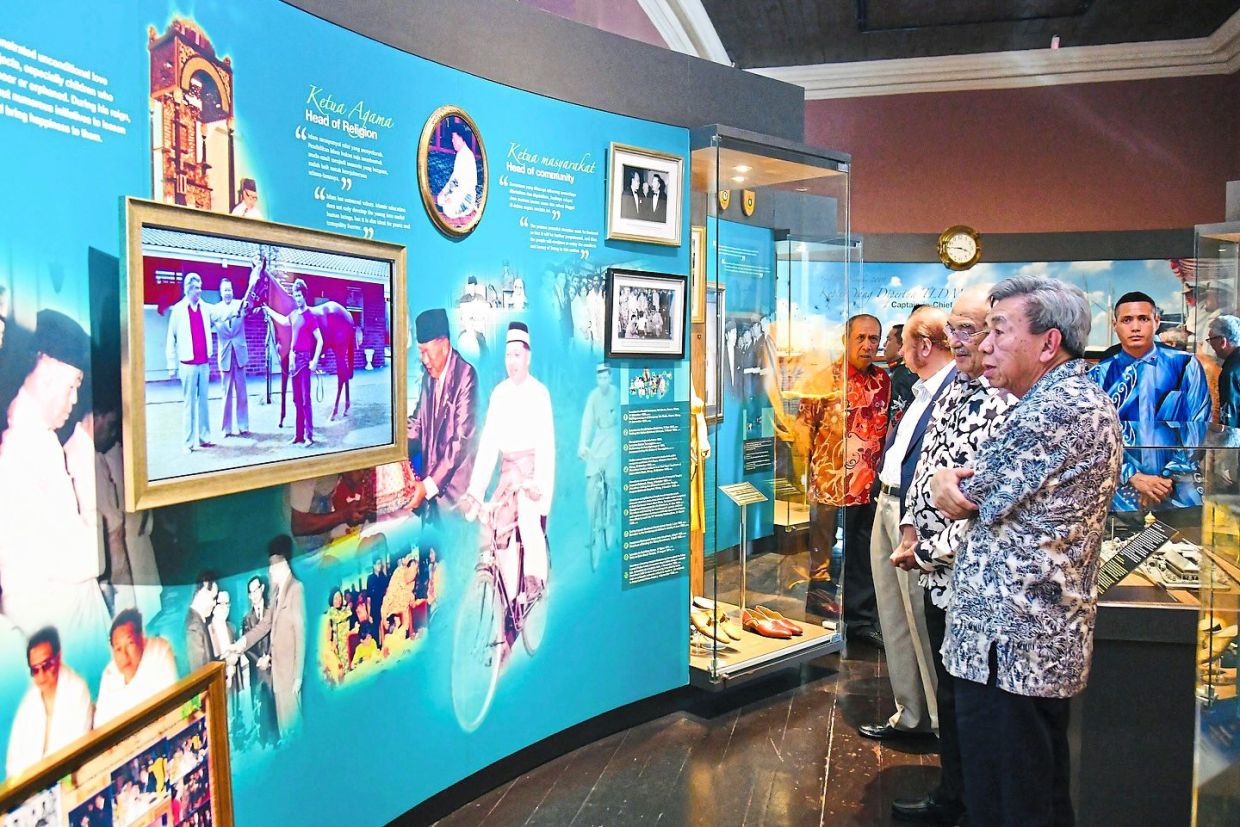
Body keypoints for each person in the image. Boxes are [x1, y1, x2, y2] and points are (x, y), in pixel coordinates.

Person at [930, 275, 1121, 826]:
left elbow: (965, 493)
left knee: (1012, 800)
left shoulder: (1057, 406)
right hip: (1019, 648)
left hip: (1012, 649)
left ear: (1048, 343)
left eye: (998, 330)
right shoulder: (1063, 399)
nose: (985, 345)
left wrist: (947, 482)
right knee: (1034, 792)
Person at [887, 284, 1018, 825]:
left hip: (978, 582)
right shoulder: (952, 390)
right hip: (940, 575)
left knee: (974, 704)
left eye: (971, 330)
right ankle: (953, 796)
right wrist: (914, 529)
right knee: (951, 689)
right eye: (954, 331)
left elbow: (991, 506)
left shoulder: (1006, 397)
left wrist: (932, 550)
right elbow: (926, 466)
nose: (959, 342)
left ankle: (970, 803)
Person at [860, 306, 955, 743]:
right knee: (893, 614)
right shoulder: (920, 391)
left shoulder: (954, 393)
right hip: (888, 501)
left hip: (914, 516)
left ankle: (939, 724)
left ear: (921, 346)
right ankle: (911, 714)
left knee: (919, 616)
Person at [0, 310, 108, 647]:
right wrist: (94, 522)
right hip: (59, 634)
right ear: (46, 373)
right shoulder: (22, 452)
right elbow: (87, 558)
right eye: (72, 385)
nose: (75, 399)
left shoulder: (42, 441)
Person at [795, 314, 888, 646]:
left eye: (873, 339)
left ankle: (860, 621)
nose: (867, 345)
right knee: (820, 556)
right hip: (828, 483)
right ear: (845, 339)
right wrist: (803, 479)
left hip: (867, 485)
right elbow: (803, 427)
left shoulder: (883, 381)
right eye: (860, 338)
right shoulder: (825, 379)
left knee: (862, 553)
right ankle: (821, 623)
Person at [463, 322, 556, 615]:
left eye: (517, 355)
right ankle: (505, 594)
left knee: (528, 521)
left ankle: (534, 583)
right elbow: (489, 444)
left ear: (528, 357)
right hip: (507, 474)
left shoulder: (539, 393)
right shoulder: (500, 394)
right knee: (496, 526)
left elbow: (546, 446)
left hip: (529, 475)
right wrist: (476, 491)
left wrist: (538, 485)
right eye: (508, 355)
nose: (512, 362)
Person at [1091, 291, 1211, 511]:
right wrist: (1134, 477)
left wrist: (1165, 480)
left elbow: (1198, 426)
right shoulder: (1099, 376)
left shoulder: (1185, 366)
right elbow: (1094, 438)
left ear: (1156, 322)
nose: (1135, 327)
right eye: (1127, 320)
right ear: (1115, 324)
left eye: (1143, 319)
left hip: (1179, 493)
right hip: (1122, 497)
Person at [230, 536, 305, 737]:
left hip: (289, 673)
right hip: (278, 675)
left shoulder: (296, 589)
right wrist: (241, 643)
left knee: (294, 728)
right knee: (284, 728)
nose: (269, 572)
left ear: (281, 564)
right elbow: (265, 625)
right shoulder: (276, 594)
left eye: (271, 567)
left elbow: (300, 634)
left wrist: (297, 676)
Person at [406, 308, 478, 518]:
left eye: (426, 352)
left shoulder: (466, 375)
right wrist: (393, 450)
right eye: (420, 353)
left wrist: (427, 486)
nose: (424, 360)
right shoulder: (430, 377)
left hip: (455, 499)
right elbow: (418, 424)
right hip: (431, 497)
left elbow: (460, 441)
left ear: (444, 345)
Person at [6, 628, 93, 777]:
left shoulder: (77, 690)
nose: (41, 675)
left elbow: (76, 752)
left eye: (46, 665)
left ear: (58, 657)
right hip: (31, 791)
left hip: (68, 780)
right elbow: (13, 764)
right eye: (35, 670)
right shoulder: (28, 704)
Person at [262, 279, 323, 446]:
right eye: (295, 294)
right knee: (296, 400)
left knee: (305, 400)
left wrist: (315, 360)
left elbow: (320, 340)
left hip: (304, 361)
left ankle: (309, 436)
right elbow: (282, 320)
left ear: (304, 295)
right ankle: (298, 435)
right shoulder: (294, 314)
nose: (297, 297)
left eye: (300, 294)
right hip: (294, 361)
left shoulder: (310, 316)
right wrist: (268, 310)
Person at [96, 610, 179, 725]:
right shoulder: (110, 673)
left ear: (141, 639)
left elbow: (171, 708)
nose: (124, 655)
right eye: (118, 649)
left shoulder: (159, 650)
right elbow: (101, 726)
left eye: (130, 643)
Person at [165, 272, 216, 452]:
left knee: (204, 402)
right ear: (187, 289)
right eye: (196, 288)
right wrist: (171, 365)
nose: (199, 291)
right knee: (189, 404)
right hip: (187, 364)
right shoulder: (178, 310)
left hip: (204, 363)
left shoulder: (205, 307)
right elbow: (171, 338)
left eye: (200, 287)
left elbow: (221, 313)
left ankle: (204, 438)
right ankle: (188, 443)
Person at [579, 364, 620, 565]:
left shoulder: (616, 394)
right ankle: (593, 527)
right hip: (599, 441)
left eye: (606, 377)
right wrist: (583, 445)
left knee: (612, 480)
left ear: (610, 377)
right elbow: (587, 422)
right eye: (599, 378)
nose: (603, 381)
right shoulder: (593, 397)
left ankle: (612, 513)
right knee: (591, 482)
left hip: (614, 440)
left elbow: (622, 420)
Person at [241, 575, 278, 747]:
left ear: (262, 589)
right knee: (261, 706)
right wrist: (259, 661)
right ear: (249, 595)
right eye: (251, 592)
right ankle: (264, 740)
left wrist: (269, 657)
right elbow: (246, 646)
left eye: (257, 590)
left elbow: (276, 635)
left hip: (273, 664)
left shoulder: (272, 610)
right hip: (258, 669)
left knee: (275, 702)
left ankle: (277, 737)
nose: (254, 594)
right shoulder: (246, 619)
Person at [213, 276, 249, 437]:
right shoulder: (215, 310)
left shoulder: (240, 305)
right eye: (225, 290)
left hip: (239, 354)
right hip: (225, 355)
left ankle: (243, 425)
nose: (228, 293)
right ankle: (226, 428)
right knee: (226, 393)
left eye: (230, 289)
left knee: (242, 392)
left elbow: (249, 308)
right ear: (221, 293)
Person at [436, 129, 478, 221]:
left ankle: (468, 209)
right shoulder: (460, 154)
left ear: (461, 139)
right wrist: (444, 191)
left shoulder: (467, 156)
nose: (452, 141)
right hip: (458, 192)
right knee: (440, 199)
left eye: (454, 138)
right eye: (452, 138)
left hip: (466, 196)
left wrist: (452, 198)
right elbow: (454, 179)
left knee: (447, 209)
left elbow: (467, 186)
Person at [1209, 314, 1240, 427]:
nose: (1210, 345)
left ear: (1222, 341)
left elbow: (1229, 416)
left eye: (1210, 339)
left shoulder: (1230, 371)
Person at [184, 573, 220, 671]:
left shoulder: (196, 620)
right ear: (202, 592)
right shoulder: (194, 626)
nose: (214, 604)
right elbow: (198, 674)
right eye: (213, 598)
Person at [884, 323, 917, 425]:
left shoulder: (901, 374)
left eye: (889, 339)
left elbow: (895, 419)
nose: (884, 344)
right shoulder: (906, 371)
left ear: (901, 344)